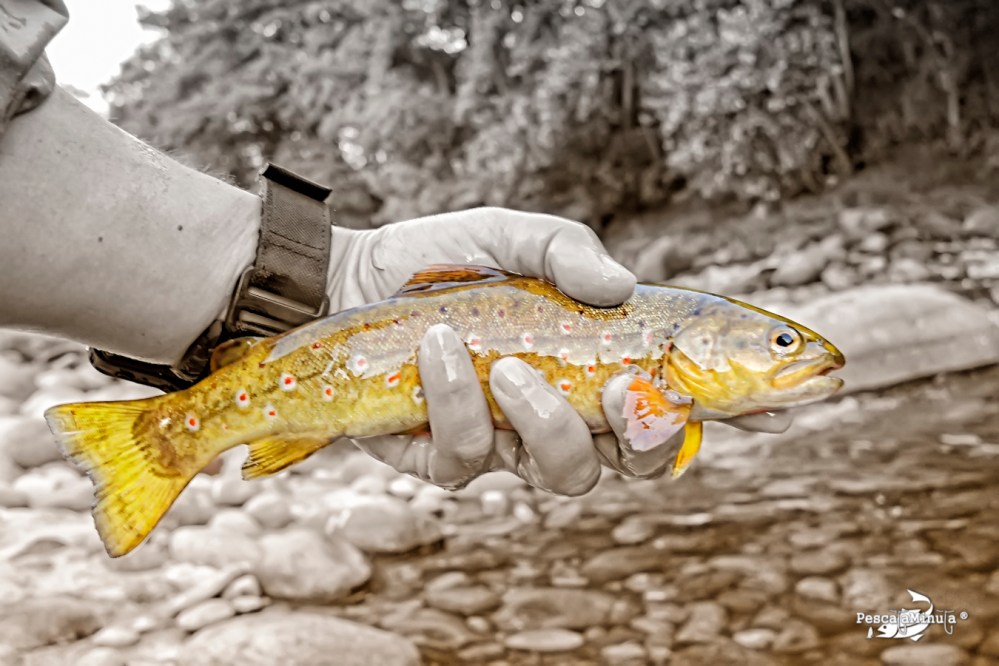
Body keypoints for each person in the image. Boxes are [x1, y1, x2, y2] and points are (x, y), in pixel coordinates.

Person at [0, 2, 789, 495]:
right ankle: (165, 436)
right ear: (696, 341)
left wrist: (332, 276)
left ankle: (180, 428)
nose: (794, 353)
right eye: (779, 341)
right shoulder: (659, 338)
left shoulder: (668, 369)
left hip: (315, 343)